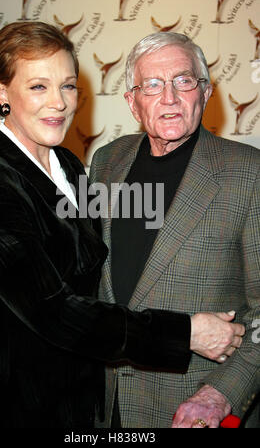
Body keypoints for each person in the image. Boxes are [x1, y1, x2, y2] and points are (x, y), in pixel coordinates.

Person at [0, 23, 245, 428]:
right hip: (18, 404)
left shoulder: (72, 166)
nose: (59, 104)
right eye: (39, 87)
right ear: (2, 92)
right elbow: (53, 311)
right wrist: (183, 334)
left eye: (68, 86)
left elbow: (84, 263)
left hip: (84, 401)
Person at [89, 32, 260, 428]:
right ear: (132, 102)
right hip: (105, 404)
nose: (168, 98)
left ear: (205, 92)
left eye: (183, 81)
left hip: (192, 409)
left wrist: (220, 395)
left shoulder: (249, 173)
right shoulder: (106, 162)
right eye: (151, 85)